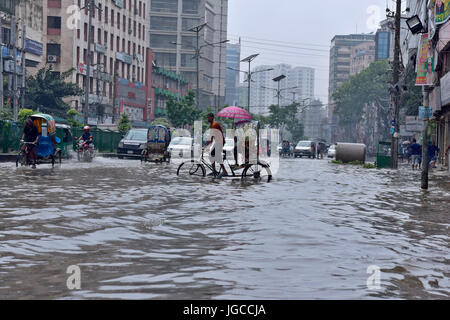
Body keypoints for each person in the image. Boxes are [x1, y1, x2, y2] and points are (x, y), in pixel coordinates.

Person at [205, 113, 228, 178]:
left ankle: (224, 171)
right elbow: (211, 138)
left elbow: (211, 138)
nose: (207, 119)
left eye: (208, 117)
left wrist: (206, 146)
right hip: (217, 142)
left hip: (220, 142)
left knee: (217, 156)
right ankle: (214, 171)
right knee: (211, 155)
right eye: (207, 117)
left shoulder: (214, 125)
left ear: (212, 117)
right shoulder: (211, 125)